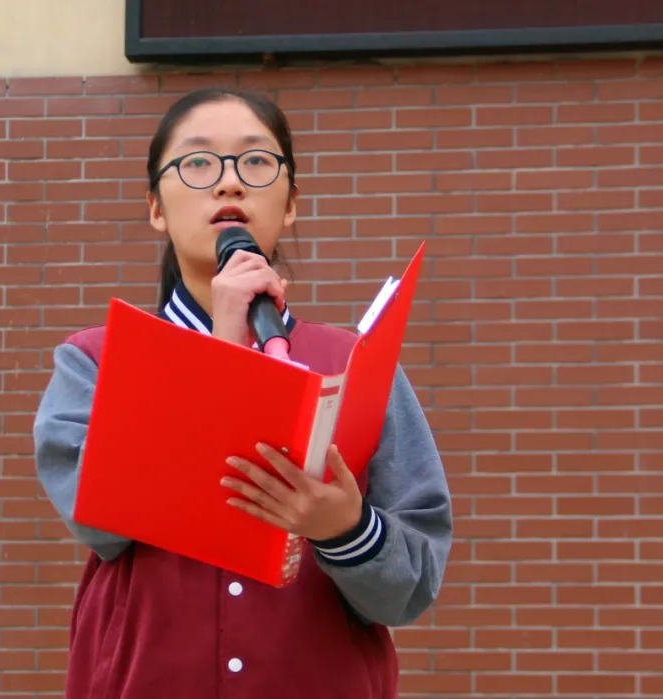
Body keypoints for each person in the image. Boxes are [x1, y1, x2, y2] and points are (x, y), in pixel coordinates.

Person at [32, 87, 453, 699]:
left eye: (256, 161)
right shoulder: (97, 360)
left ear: (291, 205)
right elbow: (97, 521)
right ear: (156, 208)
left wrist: (345, 529)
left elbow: (410, 588)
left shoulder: (358, 366)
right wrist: (221, 352)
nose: (229, 182)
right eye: (198, 162)